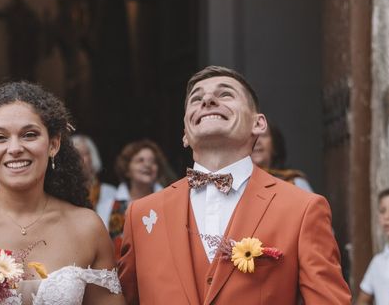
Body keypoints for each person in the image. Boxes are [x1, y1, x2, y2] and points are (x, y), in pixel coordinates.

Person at [119, 65, 351, 304]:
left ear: (258, 124)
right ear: (185, 134)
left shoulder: (302, 209)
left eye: (225, 94)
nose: (207, 99)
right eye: (196, 98)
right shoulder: (141, 215)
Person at [0, 82, 124, 305]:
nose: (15, 148)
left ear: (54, 144)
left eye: (29, 135)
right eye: (0, 137)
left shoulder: (86, 228)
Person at [103, 139, 168, 259]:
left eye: (153, 162)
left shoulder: (168, 204)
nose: (147, 165)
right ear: (127, 170)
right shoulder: (108, 206)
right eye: (140, 160)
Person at [251, 122, 313, 191]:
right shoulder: (238, 184)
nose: (257, 141)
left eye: (263, 135)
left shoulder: (294, 182)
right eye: (252, 136)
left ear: (275, 146)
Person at [71, 134, 116, 223]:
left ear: (93, 157)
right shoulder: (62, 195)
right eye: (75, 155)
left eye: (84, 154)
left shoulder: (111, 193)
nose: (79, 159)